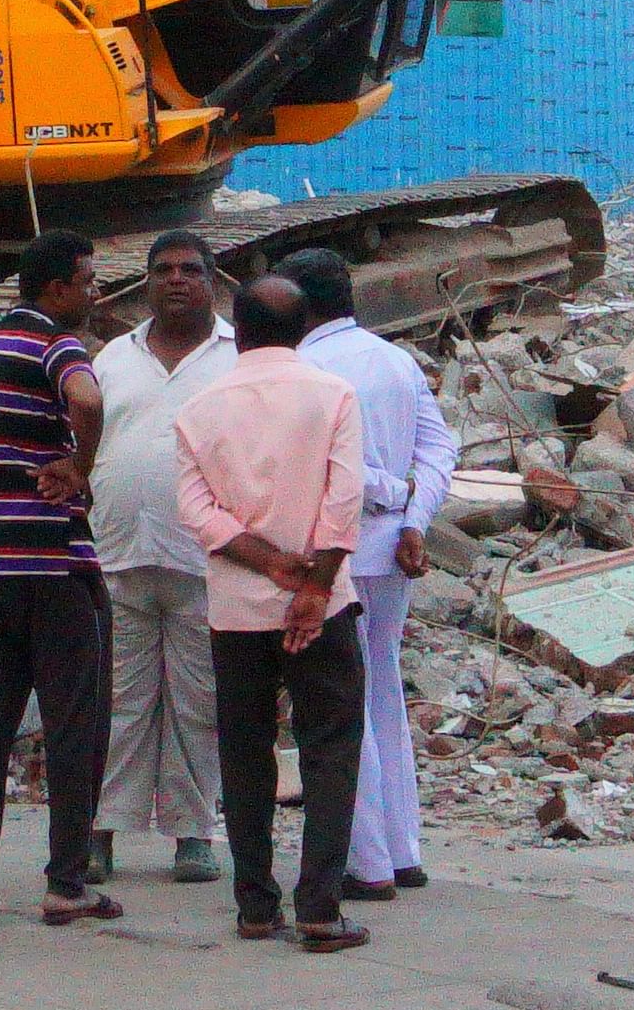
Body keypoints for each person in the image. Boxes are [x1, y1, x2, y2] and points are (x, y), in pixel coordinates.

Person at [171, 273, 369, 954]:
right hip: (323, 603)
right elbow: (345, 500)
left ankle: (255, 904)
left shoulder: (199, 408)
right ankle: (320, 906)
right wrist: (313, 586)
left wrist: (263, 561)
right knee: (330, 748)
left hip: (238, 605)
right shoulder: (333, 395)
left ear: (240, 330)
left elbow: (196, 511)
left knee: (245, 750)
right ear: (304, 327)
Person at [0, 232, 114, 928]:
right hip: (55, 566)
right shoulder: (56, 346)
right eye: (89, 282)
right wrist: (79, 466)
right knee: (75, 727)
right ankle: (66, 883)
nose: (96, 295)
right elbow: (89, 401)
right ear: (58, 288)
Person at [282, 249, 455, 900]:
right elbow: (440, 450)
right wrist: (415, 516)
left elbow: (337, 474)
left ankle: (369, 859)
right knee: (383, 695)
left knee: (339, 706)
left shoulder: (309, 370)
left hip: (341, 554)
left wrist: (393, 496)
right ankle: (403, 849)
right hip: (394, 551)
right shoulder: (396, 359)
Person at [83, 235, 236, 887]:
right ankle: (102, 831)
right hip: (118, 555)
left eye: (190, 271)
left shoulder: (237, 359)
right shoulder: (114, 357)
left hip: (204, 560)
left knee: (200, 702)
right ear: (145, 282)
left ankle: (193, 833)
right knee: (117, 702)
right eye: (164, 270)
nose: (177, 280)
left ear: (212, 282)